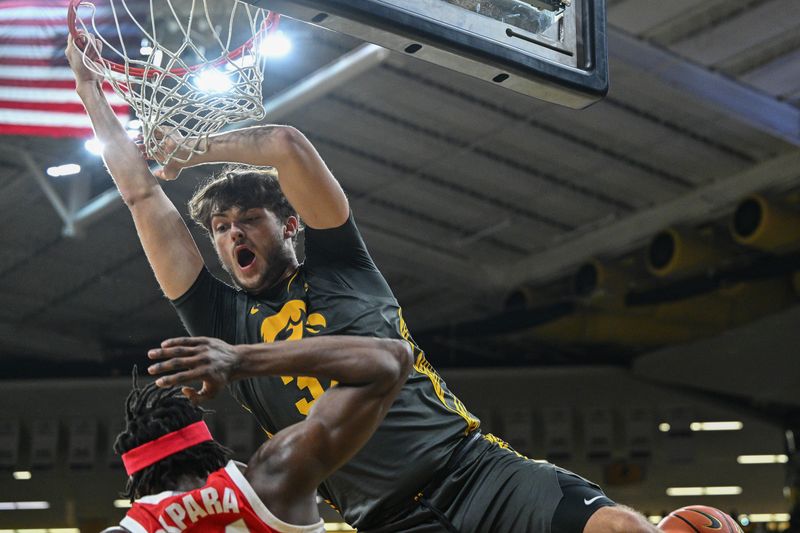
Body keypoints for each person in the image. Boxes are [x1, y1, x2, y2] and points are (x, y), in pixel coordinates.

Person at [68, 31, 656, 533]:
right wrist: (90, 89)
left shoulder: (341, 264)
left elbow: (286, 145)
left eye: (249, 219)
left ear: (290, 225)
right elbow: (141, 195)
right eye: (221, 227)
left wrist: (191, 148)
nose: (232, 234)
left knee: (620, 526)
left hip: (475, 469)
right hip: (380, 518)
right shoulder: (218, 321)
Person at [109, 334, 411, 532]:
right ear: (209, 454)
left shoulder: (137, 526)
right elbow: (391, 360)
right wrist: (239, 360)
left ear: (140, 484)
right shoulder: (272, 479)